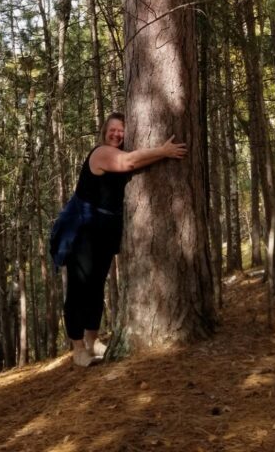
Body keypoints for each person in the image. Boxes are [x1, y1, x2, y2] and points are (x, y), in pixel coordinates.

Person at [50, 112, 187, 367]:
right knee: (80, 290)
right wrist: (164, 150)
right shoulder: (101, 153)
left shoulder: (115, 152)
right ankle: (78, 348)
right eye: (112, 130)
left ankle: (93, 341)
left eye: (121, 131)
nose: (117, 134)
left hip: (104, 231)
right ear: (104, 132)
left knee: (96, 286)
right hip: (84, 231)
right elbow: (130, 162)